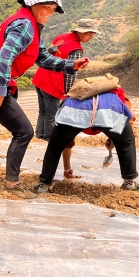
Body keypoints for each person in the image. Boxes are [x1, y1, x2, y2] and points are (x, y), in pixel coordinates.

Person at [0, 0, 90, 199]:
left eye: (53, 10)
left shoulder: (31, 24)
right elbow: (4, 58)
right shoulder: (24, 25)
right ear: (35, 3)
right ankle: (12, 183)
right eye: (47, 8)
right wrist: (0, 94)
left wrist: (70, 64)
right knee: (24, 131)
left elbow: (41, 57)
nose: (50, 13)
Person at [33, 87, 139, 193]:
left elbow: (66, 142)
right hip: (108, 107)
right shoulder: (118, 94)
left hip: (74, 108)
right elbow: (125, 123)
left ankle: (44, 185)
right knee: (127, 142)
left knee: (55, 145)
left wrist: (67, 168)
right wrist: (114, 139)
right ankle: (129, 183)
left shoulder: (71, 96)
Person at [33, 19, 100, 178]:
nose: (91, 37)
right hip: (53, 82)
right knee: (52, 115)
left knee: (43, 111)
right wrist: (69, 93)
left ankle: (41, 133)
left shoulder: (62, 37)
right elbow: (71, 72)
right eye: (90, 34)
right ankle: (52, 140)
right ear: (82, 32)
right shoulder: (76, 49)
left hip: (41, 77)